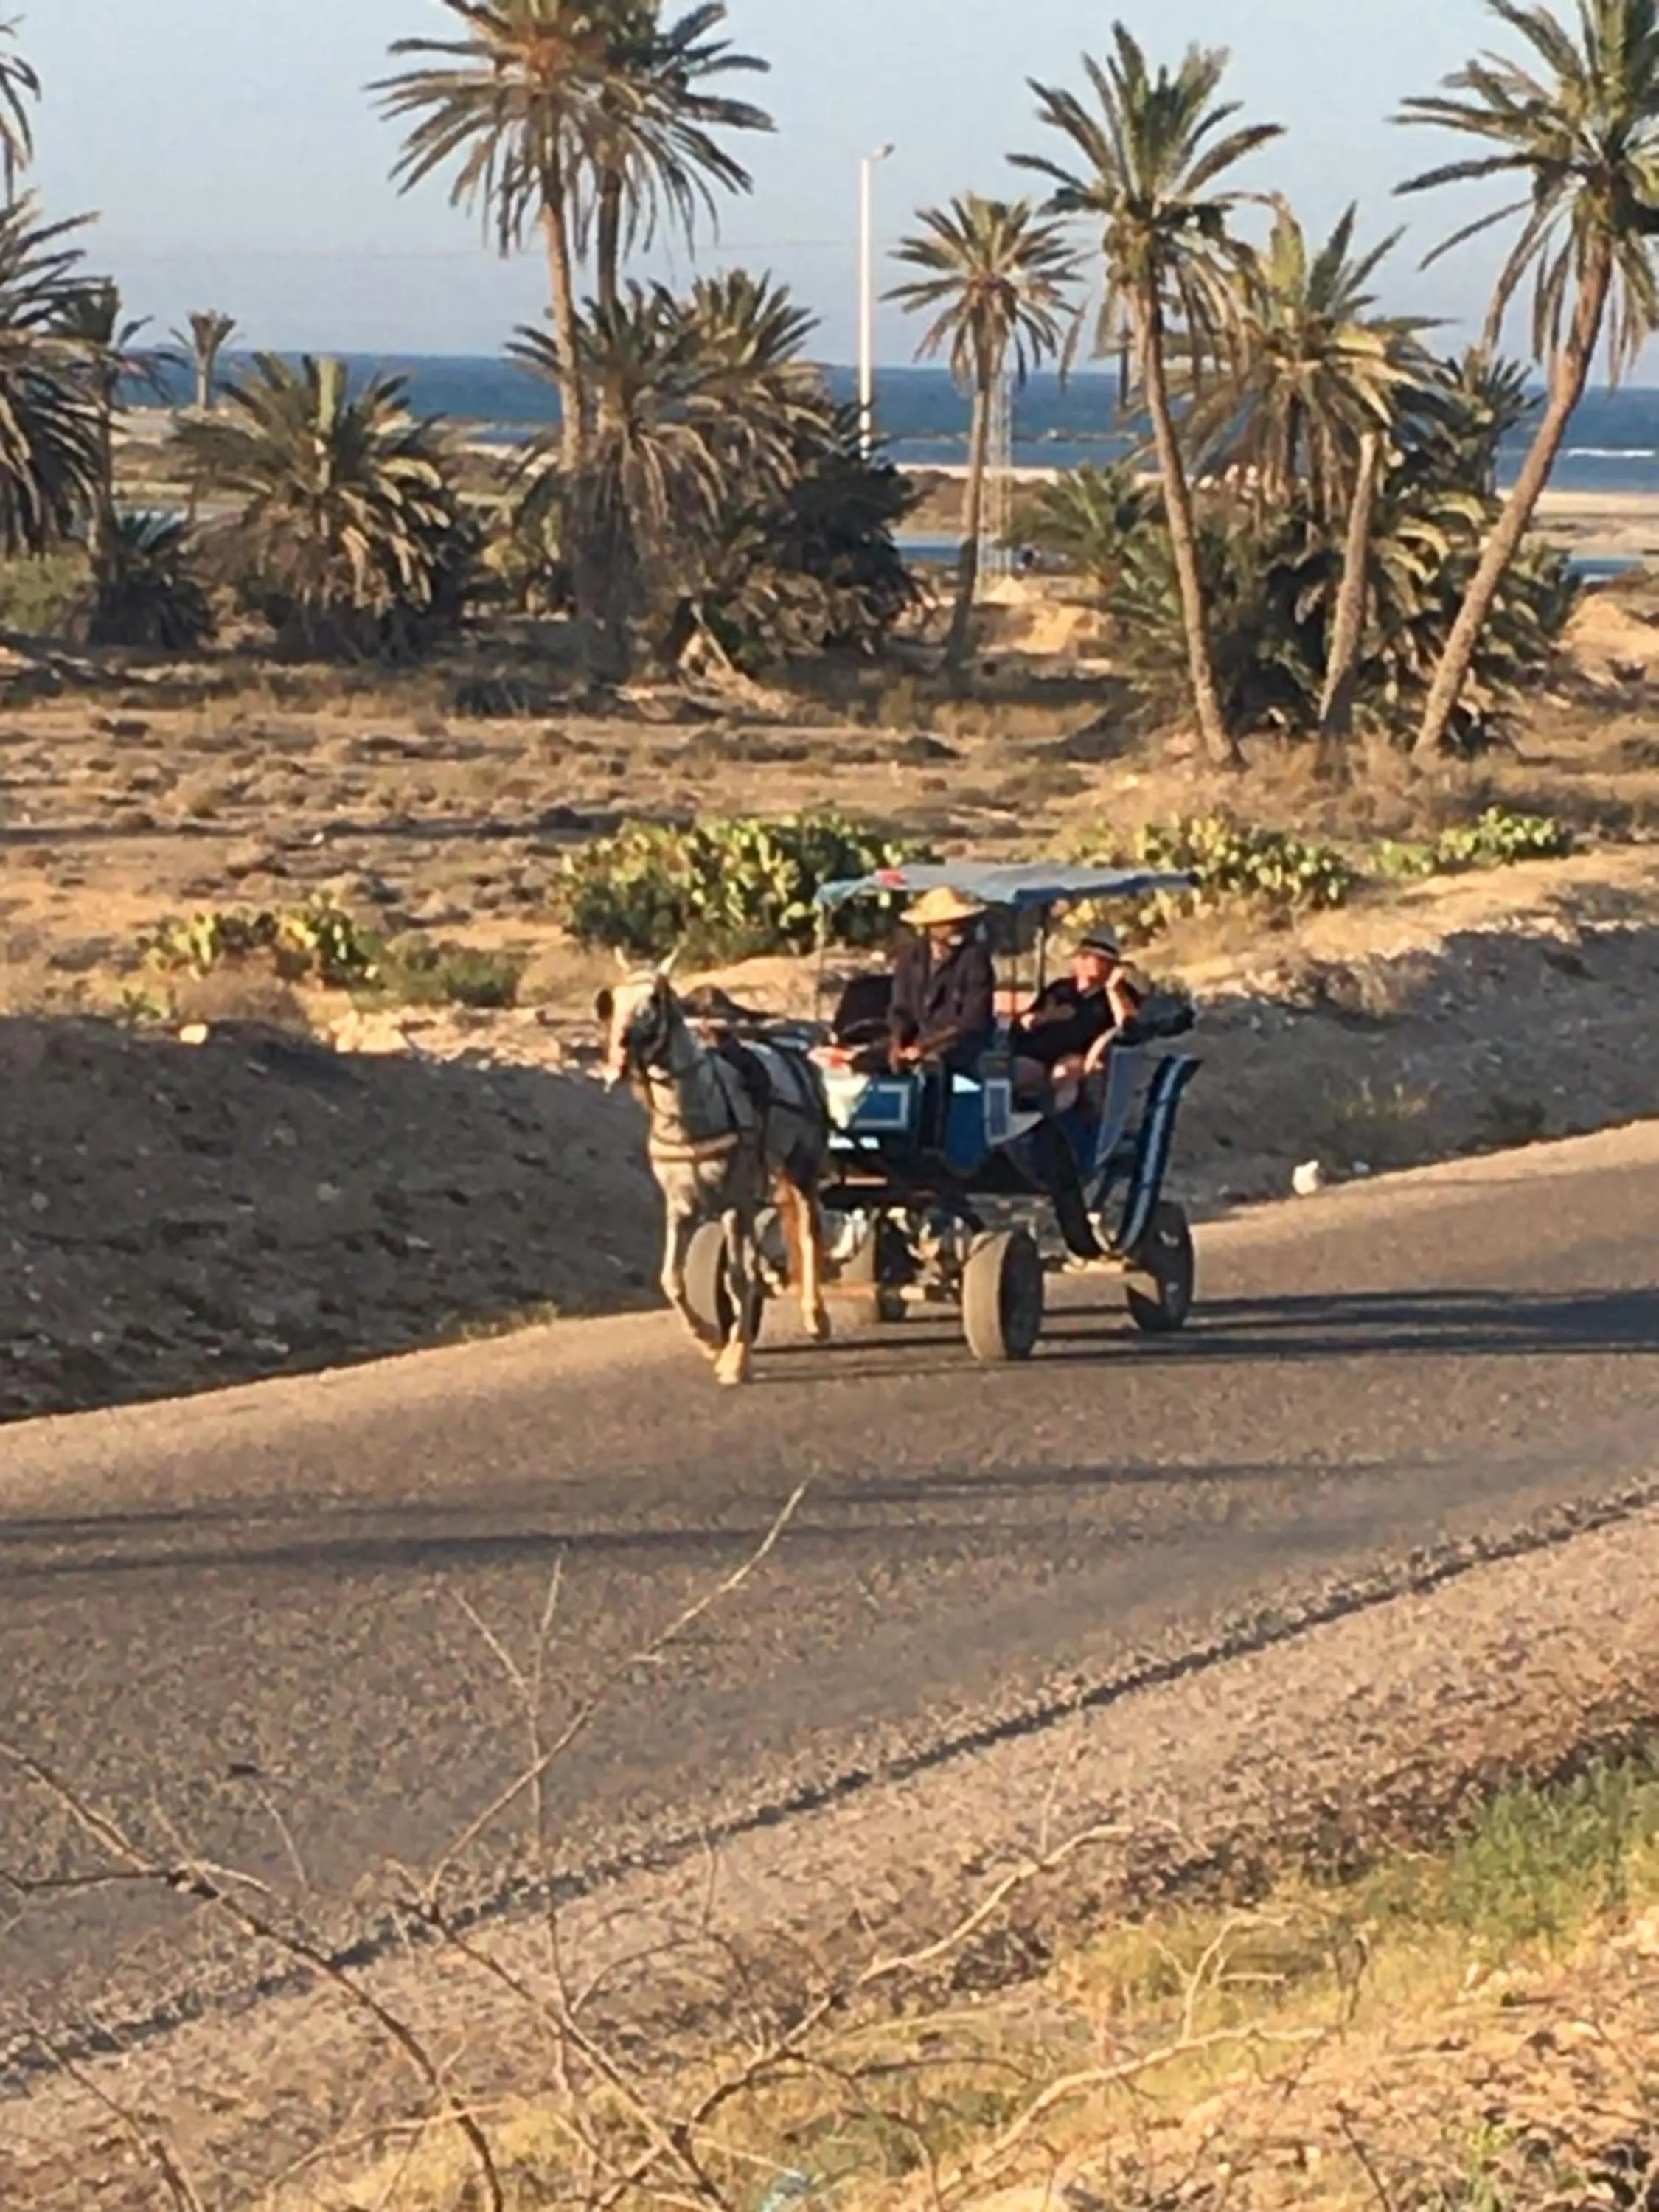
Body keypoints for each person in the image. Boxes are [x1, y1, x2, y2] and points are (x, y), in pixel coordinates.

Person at [1012, 925, 1144, 1111]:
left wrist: (1114, 989)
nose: (1083, 961)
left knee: (1063, 1073)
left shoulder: (1119, 994)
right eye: (1083, 956)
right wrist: (1048, 1016)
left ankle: (1056, 1126)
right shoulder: (1059, 989)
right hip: (1039, 1053)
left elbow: (1129, 1026)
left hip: (1080, 1056)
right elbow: (1023, 1022)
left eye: (1096, 959)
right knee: (1012, 1072)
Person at [888, 885, 997, 1077]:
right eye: (948, 923)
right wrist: (898, 1043)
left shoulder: (975, 959)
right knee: (864, 1061)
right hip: (919, 1038)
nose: (956, 928)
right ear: (932, 927)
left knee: (934, 1065)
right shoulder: (910, 957)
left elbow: (973, 1021)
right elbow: (900, 1009)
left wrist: (926, 1046)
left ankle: (935, 1107)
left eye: (960, 922)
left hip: (962, 1043)